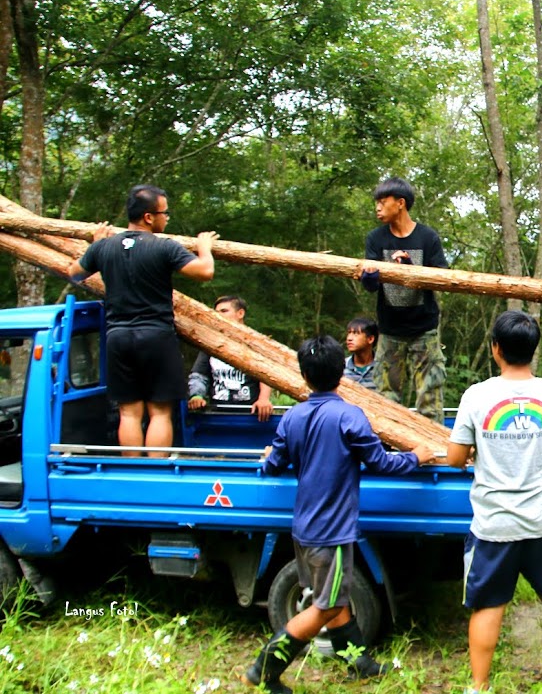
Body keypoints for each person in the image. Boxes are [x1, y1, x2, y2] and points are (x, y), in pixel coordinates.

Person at [243, 335, 435, 694]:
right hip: (331, 534)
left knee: (335, 598)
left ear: (304, 376)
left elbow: (273, 464)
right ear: (341, 374)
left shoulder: (293, 417)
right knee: (325, 607)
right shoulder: (349, 416)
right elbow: (379, 463)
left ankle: (357, 661)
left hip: (304, 529)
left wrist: (269, 455)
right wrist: (417, 457)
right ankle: (264, 668)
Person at [445, 311, 542, 694]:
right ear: (533, 349)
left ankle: (478, 687)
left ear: (496, 348)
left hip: (495, 525)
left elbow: (455, 459)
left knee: (488, 605)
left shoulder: (476, 396)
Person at [67, 184, 218, 456]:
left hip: (118, 338)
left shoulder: (103, 248)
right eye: (165, 212)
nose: (167, 217)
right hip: (155, 336)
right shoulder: (164, 247)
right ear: (149, 217)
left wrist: (93, 247)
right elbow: (205, 271)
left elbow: (74, 273)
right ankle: (155, 471)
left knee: (129, 412)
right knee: (159, 412)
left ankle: (132, 470)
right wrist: (204, 247)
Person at [356, 177, 448, 421]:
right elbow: (371, 286)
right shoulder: (375, 238)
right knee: (386, 396)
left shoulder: (427, 238)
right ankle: (387, 449)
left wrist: (409, 269)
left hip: (424, 329)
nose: (377, 208)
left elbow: (444, 277)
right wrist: (369, 277)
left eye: (382, 202)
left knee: (430, 394)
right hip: (390, 330)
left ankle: (433, 449)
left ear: (400, 203)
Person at [187, 295, 273, 421]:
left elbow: (266, 374)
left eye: (224, 311)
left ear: (240, 313)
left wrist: (264, 399)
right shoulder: (210, 343)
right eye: (216, 312)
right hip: (217, 414)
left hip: (251, 415)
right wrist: (196, 396)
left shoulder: (254, 342)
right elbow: (199, 375)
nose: (218, 316)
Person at [343, 316, 379, 389]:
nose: (349, 338)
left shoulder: (382, 368)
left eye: (356, 333)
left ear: (370, 339)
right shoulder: (341, 367)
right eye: (349, 333)